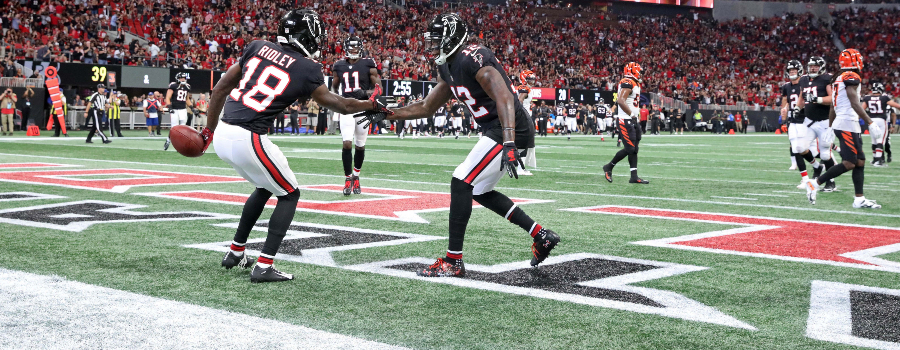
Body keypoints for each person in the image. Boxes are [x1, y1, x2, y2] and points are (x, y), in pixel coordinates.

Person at [209, 9, 389, 283]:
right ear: (305, 37)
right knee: (290, 194)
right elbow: (342, 104)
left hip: (223, 132)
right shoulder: (307, 68)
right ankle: (264, 265)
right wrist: (373, 105)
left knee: (265, 186)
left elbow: (221, 88)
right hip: (249, 137)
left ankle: (235, 252)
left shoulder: (257, 46)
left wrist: (207, 131)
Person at [380, 13, 558, 277]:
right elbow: (427, 106)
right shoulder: (448, 66)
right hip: (499, 129)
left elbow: (506, 98)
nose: (433, 45)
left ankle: (453, 261)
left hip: (510, 128)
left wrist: (509, 140)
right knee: (479, 190)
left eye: (438, 40)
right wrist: (388, 113)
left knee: (461, 180)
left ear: (452, 38)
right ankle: (541, 235)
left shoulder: (472, 57)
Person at [806, 49, 881, 209]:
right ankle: (815, 182)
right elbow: (854, 101)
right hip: (847, 123)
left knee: (860, 161)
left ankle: (859, 199)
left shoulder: (838, 78)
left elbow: (833, 105)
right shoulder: (850, 77)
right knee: (849, 163)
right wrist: (869, 122)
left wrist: (831, 127)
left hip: (847, 123)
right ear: (854, 61)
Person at [332, 36, 381, 196]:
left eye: (355, 48)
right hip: (346, 108)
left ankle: (357, 177)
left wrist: (365, 93)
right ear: (346, 49)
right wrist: (338, 102)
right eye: (351, 48)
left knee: (360, 145)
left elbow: (378, 89)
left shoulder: (368, 63)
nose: (353, 51)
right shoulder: (338, 65)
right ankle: (347, 178)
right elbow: (334, 88)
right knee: (347, 143)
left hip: (363, 107)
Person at [603, 62, 649, 184]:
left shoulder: (634, 83)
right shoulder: (627, 82)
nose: (641, 73)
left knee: (634, 150)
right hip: (626, 120)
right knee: (630, 149)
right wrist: (632, 115)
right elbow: (621, 100)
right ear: (633, 71)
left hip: (633, 120)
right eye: (639, 71)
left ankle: (634, 176)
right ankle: (609, 167)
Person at [781, 59, 822, 187]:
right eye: (790, 70)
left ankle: (820, 166)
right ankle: (806, 177)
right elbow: (785, 102)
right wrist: (783, 114)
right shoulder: (786, 86)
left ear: (799, 71)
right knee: (796, 148)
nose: (792, 72)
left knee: (807, 149)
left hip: (805, 119)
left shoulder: (805, 82)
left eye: (794, 70)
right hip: (792, 120)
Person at [798, 56, 836, 190]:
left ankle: (830, 181)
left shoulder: (827, 78)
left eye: (815, 66)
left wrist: (817, 99)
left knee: (825, 154)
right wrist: (797, 108)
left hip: (825, 121)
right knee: (800, 147)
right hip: (809, 121)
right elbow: (802, 98)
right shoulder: (803, 79)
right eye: (810, 66)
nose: (812, 68)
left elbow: (832, 98)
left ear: (821, 67)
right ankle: (817, 166)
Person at [862, 82, 900, 166]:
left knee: (874, 141)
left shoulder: (867, 98)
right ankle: (878, 161)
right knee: (880, 141)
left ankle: (875, 159)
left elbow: (861, 110)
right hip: (881, 120)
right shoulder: (884, 98)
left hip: (871, 121)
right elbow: (896, 106)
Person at [164, 73, 192, 150]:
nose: (183, 79)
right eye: (181, 78)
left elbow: (187, 99)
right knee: (174, 127)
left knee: (183, 127)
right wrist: (169, 107)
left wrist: (192, 108)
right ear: (177, 79)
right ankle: (168, 140)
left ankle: (180, 144)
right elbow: (167, 97)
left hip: (183, 109)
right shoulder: (173, 86)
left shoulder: (187, 86)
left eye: (184, 78)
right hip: (175, 109)